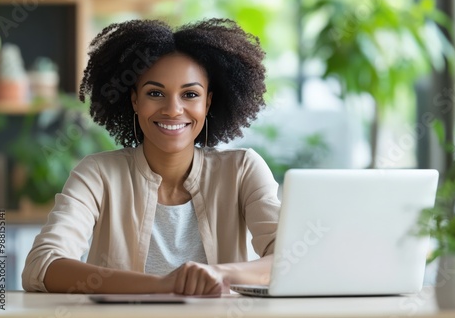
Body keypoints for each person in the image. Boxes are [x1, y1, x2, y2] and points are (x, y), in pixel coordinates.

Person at [21, 18, 280, 296]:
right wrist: (162, 285)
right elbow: (42, 266)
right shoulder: (98, 173)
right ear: (134, 100)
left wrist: (220, 274)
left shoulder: (242, 170)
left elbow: (291, 259)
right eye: (155, 93)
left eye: (190, 94)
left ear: (208, 102)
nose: (173, 109)